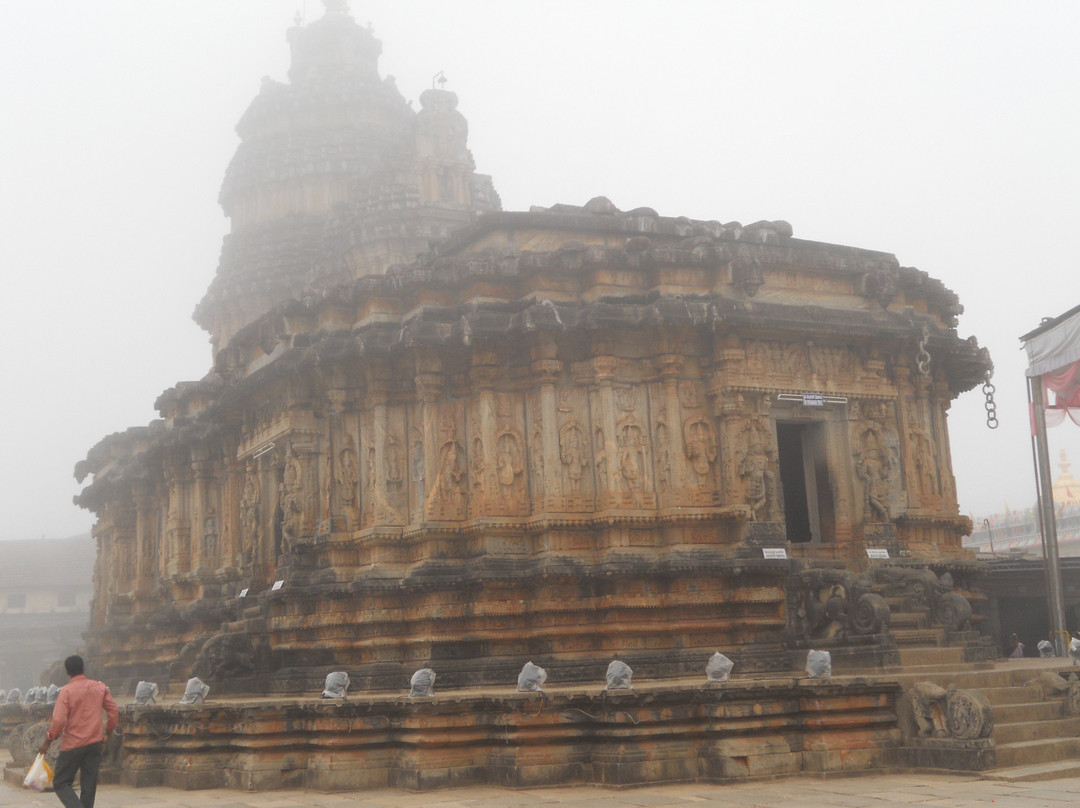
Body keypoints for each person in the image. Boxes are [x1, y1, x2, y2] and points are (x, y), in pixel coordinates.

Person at [37, 655, 119, 808]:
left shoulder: (66, 691)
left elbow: (59, 720)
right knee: (89, 784)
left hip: (73, 745)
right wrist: (107, 733)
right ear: (83, 668)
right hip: (95, 743)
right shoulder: (99, 687)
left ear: (67, 672)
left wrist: (48, 741)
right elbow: (113, 711)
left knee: (61, 782)